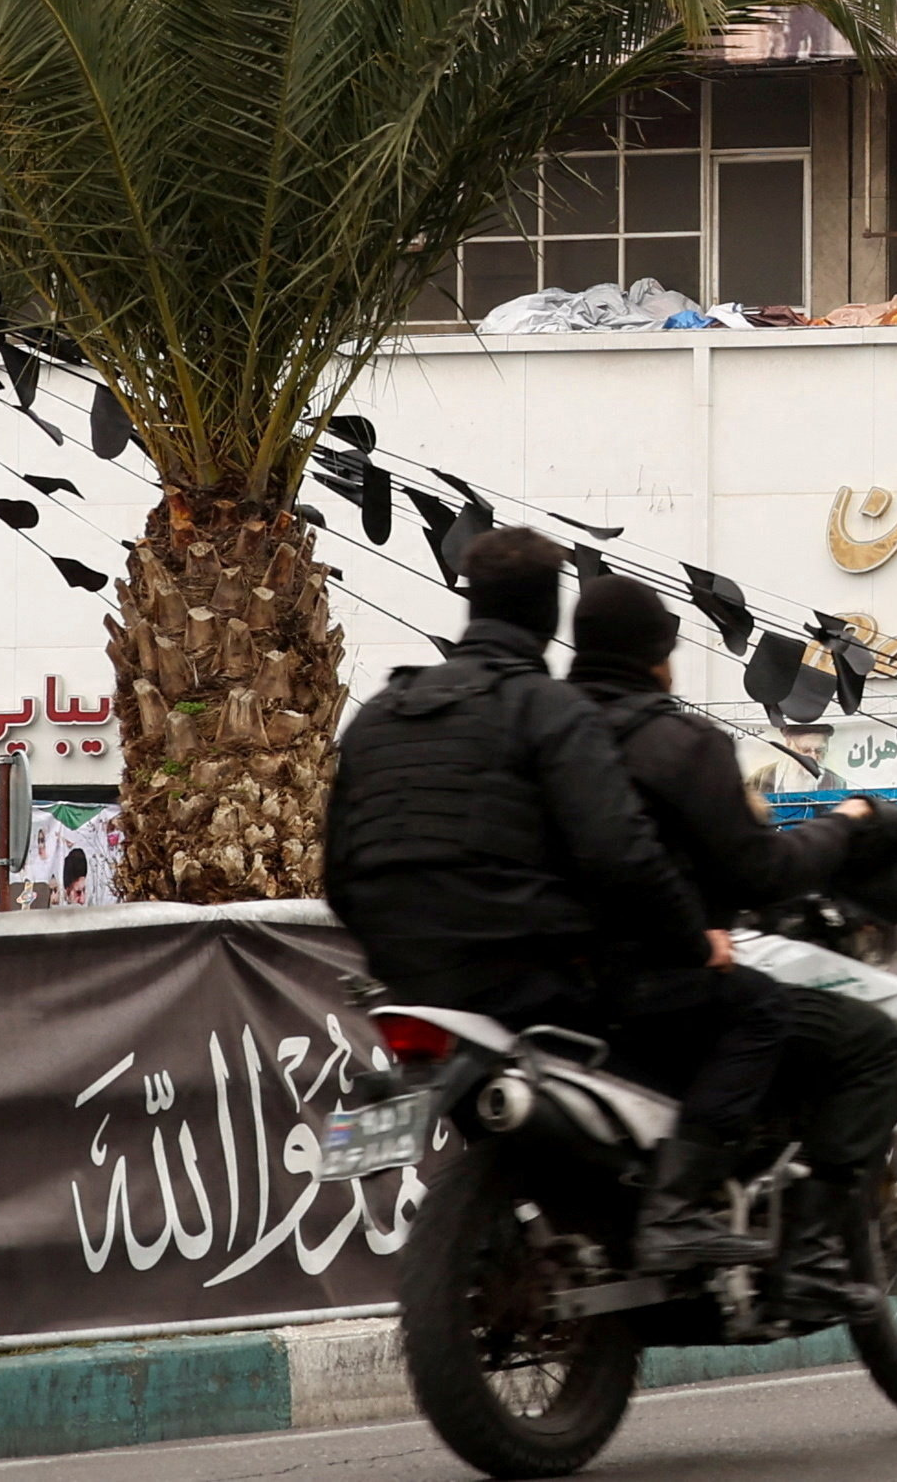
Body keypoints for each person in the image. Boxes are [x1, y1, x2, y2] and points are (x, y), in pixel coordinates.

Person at [317, 528, 732, 1268]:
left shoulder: (382, 711)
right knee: (732, 1013)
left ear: (470, 600)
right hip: (526, 977)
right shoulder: (548, 709)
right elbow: (620, 855)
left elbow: (339, 872)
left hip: (405, 978)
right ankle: (682, 1208)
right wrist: (695, 940)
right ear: (550, 618)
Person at [564, 568, 897, 1287]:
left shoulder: (543, 731)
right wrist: (845, 825)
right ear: (658, 655)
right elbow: (758, 872)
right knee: (864, 1040)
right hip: (653, 985)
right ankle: (816, 1252)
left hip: (551, 988)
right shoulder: (679, 743)